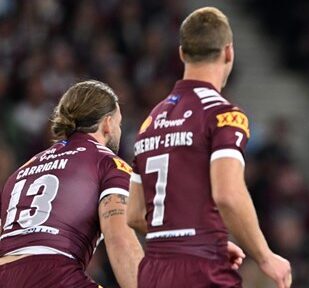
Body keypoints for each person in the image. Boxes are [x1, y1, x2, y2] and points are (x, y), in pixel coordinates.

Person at [126, 7, 291, 288]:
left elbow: (134, 214)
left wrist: (197, 238)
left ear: (182, 53)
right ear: (229, 52)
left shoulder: (150, 122)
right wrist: (264, 256)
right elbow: (228, 194)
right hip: (201, 271)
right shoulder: (222, 115)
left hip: (153, 271)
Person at [0, 80, 143, 287]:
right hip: (53, 273)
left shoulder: (21, 171)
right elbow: (120, 239)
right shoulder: (108, 163)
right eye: (119, 123)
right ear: (108, 123)